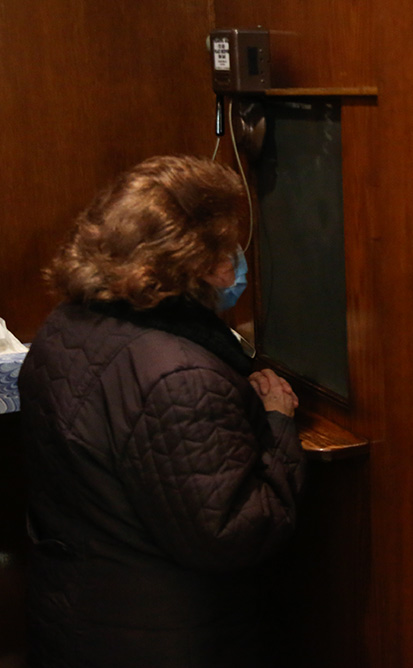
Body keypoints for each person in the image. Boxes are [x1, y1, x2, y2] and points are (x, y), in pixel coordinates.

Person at [18, 155, 305, 667]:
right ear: (190, 263)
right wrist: (278, 422)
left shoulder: (67, 325)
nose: (238, 259)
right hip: (163, 634)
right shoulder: (178, 375)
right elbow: (234, 534)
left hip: (81, 614)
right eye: (226, 249)